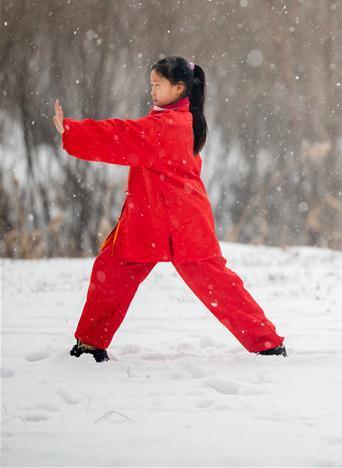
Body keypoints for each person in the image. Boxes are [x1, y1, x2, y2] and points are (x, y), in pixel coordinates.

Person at [54, 56, 286, 362]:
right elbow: (128, 135)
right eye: (151, 84)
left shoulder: (168, 125)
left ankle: (267, 343)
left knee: (216, 285)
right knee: (111, 273)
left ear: (178, 88)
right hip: (153, 220)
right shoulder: (177, 119)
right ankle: (90, 344)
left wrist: (72, 131)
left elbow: (120, 136)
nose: (152, 90)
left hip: (180, 222)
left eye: (157, 85)